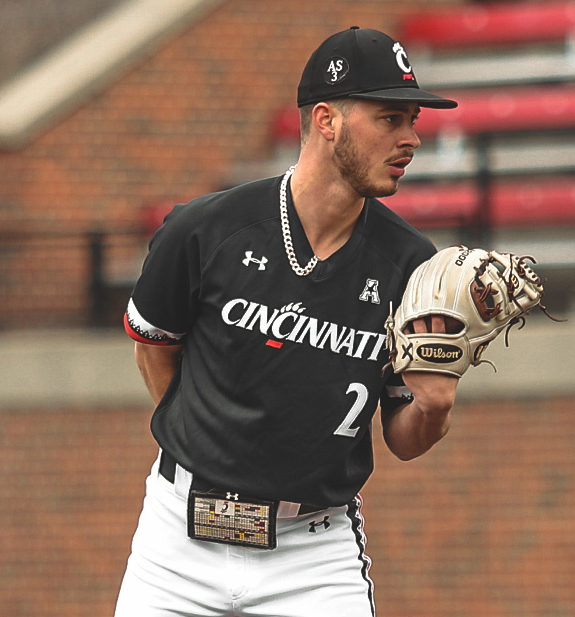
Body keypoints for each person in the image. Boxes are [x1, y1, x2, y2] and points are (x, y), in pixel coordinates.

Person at [116, 26, 461, 617]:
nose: (411, 138)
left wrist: (431, 407)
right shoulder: (205, 230)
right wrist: (208, 440)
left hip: (314, 553)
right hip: (179, 538)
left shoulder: (412, 265)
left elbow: (404, 441)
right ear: (326, 119)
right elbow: (154, 349)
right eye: (390, 118)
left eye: (413, 121)